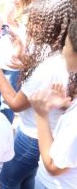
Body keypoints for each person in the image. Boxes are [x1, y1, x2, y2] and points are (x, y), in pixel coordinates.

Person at [0, 0, 76, 189]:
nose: (30, 28)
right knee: (27, 180)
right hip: (51, 137)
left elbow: (15, 103)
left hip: (32, 138)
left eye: (35, 23)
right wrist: (25, 60)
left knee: (6, 181)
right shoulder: (64, 60)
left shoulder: (48, 67)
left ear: (49, 25)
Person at [31, 20, 77, 188]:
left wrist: (41, 115)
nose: (63, 50)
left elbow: (53, 166)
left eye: (65, 45)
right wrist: (67, 107)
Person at [0, 0, 38, 123]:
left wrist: (10, 22)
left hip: (14, 65)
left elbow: (30, 42)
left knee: (7, 102)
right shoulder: (8, 7)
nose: (14, 0)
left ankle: (3, 132)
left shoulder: (34, 14)